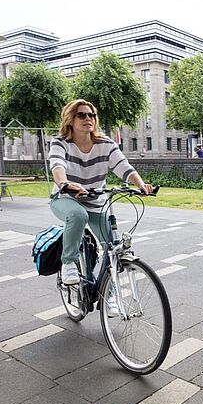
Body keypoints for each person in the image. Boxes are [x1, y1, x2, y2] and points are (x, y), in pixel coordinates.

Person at [49, 99, 153, 291]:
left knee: (112, 248)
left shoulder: (105, 143)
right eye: (81, 115)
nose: (88, 118)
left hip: (97, 202)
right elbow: (57, 165)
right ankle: (69, 263)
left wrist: (140, 185)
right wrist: (65, 184)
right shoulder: (60, 143)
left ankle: (110, 294)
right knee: (78, 215)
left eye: (91, 115)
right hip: (66, 198)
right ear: (70, 119)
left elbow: (123, 166)